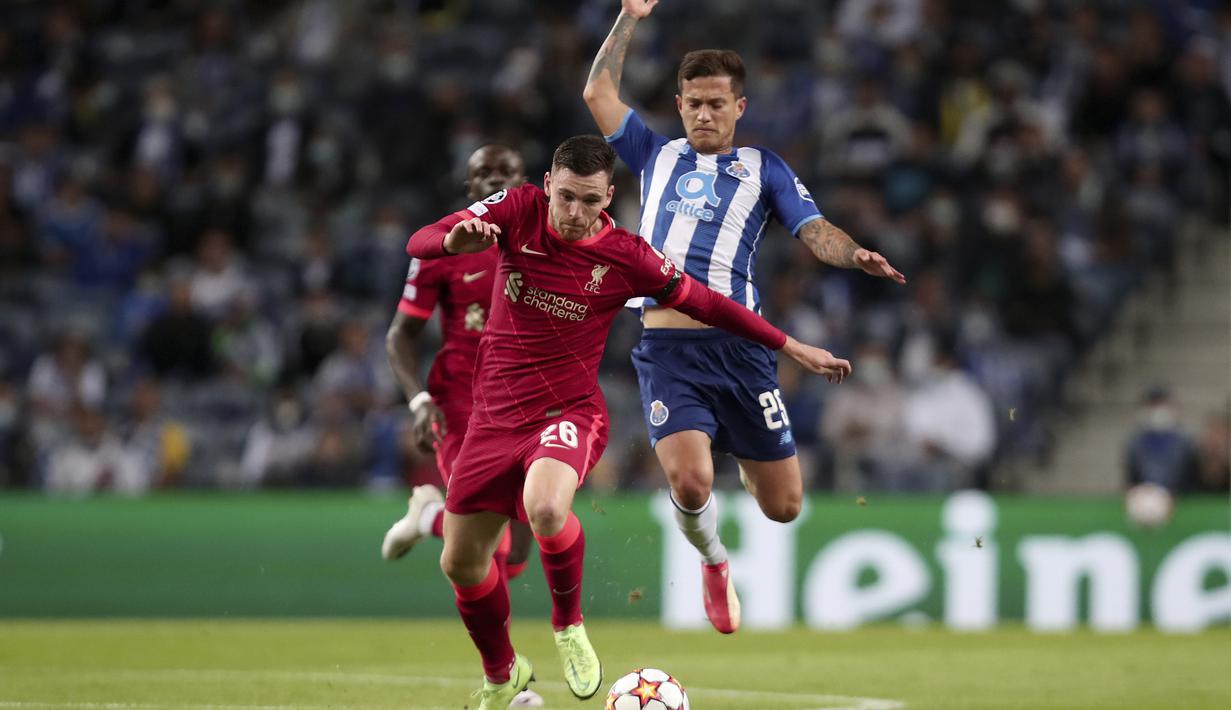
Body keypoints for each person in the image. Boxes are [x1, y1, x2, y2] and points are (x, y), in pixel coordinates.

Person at [405, 135, 849, 708]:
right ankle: (502, 675)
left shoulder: (628, 255)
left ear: (609, 196)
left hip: (567, 411)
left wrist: (789, 344)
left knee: (546, 507)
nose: (575, 213)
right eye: (566, 197)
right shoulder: (516, 209)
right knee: (462, 563)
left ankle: (568, 626)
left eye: (590, 201)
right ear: (548, 185)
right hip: (492, 420)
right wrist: (452, 239)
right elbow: (420, 240)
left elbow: (709, 303)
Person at [583, 0, 906, 634]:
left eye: (717, 103)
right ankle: (714, 559)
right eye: (694, 103)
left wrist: (854, 253)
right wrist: (629, 18)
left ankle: (734, 445)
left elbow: (814, 230)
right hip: (669, 353)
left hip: (742, 353)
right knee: (691, 482)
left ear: (739, 107)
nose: (705, 114)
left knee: (784, 507)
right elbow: (597, 91)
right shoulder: (653, 154)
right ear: (679, 105)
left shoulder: (764, 169)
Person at [380, 145, 543, 707]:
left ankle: (430, 514)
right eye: (482, 174)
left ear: (525, 184)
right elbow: (401, 335)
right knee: (487, 551)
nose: (494, 180)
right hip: (461, 404)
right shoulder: (444, 247)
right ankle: (508, 679)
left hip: (526, 403)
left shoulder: (546, 238)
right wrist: (419, 400)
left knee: (514, 559)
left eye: (505, 173)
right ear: (469, 187)